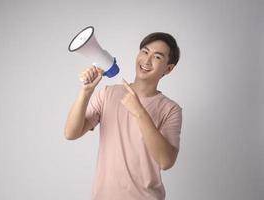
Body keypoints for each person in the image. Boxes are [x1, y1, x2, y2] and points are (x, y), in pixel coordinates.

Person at [64, 32, 182, 200]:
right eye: (145, 51)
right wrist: (85, 92)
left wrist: (140, 112)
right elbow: (71, 133)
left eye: (157, 57)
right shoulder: (107, 94)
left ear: (168, 68)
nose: (147, 60)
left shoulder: (171, 110)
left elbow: (166, 161)